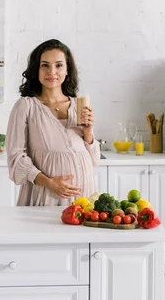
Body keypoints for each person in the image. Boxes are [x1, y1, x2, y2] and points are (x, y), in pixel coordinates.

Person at [6, 39, 101, 206]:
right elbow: (16, 157)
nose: (52, 72)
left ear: (67, 70)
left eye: (58, 65)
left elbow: (94, 161)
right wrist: (49, 183)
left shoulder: (78, 105)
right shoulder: (26, 106)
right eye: (45, 65)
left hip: (84, 195)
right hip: (45, 194)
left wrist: (88, 133)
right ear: (36, 69)